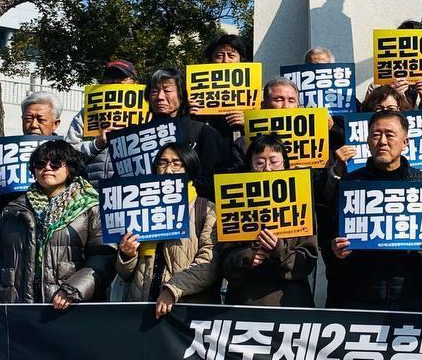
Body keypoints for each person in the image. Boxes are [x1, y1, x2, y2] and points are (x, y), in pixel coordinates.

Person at [0, 141, 113, 321]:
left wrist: (72, 290)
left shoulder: (91, 207)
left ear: (70, 168)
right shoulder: (12, 209)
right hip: (19, 308)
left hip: (72, 308)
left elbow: (103, 256)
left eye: (55, 163)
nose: (47, 168)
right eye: (40, 164)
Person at [322, 109, 422, 311]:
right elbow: (327, 234)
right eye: (376, 135)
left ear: (405, 143)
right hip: (359, 296)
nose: (382, 141)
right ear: (368, 140)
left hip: (413, 294)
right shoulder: (349, 184)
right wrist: (335, 249)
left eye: (390, 134)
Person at [217, 135, 320, 308]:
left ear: (285, 164)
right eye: (259, 163)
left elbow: (307, 261)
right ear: (249, 166)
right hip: (244, 305)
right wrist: (245, 256)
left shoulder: (302, 201)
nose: (267, 169)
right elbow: (224, 264)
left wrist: (279, 249)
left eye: (274, 161)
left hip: (291, 304)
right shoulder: (235, 203)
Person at [115, 143, 218, 308]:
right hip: (141, 304)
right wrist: (127, 255)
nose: (168, 170)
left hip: (184, 307)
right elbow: (125, 274)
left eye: (176, 164)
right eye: (162, 163)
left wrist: (172, 289)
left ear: (189, 168)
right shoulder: (139, 209)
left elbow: (209, 262)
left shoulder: (206, 210)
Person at [144, 67, 243, 198]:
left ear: (182, 96)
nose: (160, 97)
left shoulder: (205, 133)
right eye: (154, 92)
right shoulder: (137, 136)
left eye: (167, 90)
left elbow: (214, 182)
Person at [0, 90, 66, 216]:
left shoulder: (68, 154)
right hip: (13, 226)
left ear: (55, 124)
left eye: (40, 119)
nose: (33, 125)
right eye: (28, 119)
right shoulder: (6, 153)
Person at [67, 59, 138, 187]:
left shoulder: (147, 112)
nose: (115, 81)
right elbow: (67, 152)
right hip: (89, 193)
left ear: (135, 82)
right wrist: (96, 144)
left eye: (122, 77)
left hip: (129, 190)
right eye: (110, 77)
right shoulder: (87, 113)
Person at [204, 33, 253, 138]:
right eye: (219, 56)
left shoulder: (255, 91)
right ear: (211, 61)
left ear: (241, 60)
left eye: (231, 56)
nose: (225, 61)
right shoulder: (194, 90)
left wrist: (248, 122)